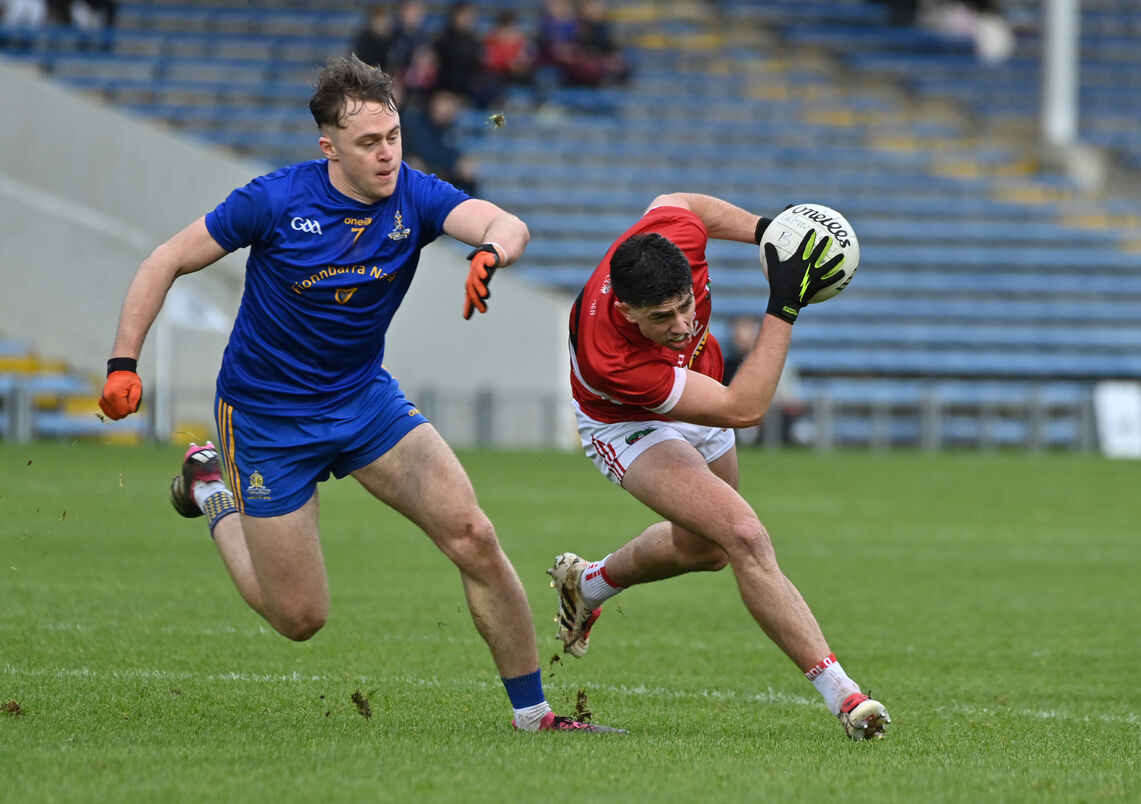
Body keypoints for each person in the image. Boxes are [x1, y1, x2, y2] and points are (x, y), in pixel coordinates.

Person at [97, 54, 622, 735]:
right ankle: (211, 490)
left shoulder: (415, 194)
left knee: (474, 534)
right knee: (300, 618)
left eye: (394, 137)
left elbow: (505, 222)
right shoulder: (274, 200)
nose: (387, 154)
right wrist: (121, 361)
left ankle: (534, 716)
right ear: (330, 148)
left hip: (362, 401)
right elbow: (163, 259)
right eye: (369, 143)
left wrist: (490, 252)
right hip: (265, 418)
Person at [549, 193, 891, 740]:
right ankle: (847, 698)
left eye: (687, 304)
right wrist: (786, 300)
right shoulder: (609, 355)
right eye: (662, 317)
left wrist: (769, 232)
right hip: (627, 421)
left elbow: (683, 203)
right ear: (625, 310)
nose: (683, 323)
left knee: (703, 551)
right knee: (745, 535)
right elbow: (746, 408)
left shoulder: (671, 236)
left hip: (699, 387)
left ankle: (588, 584)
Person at [401, 88, 479, 196]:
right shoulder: (417, 123)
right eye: (443, 101)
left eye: (450, 103)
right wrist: (454, 163)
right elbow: (425, 151)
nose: (446, 108)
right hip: (425, 176)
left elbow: (464, 163)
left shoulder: (455, 129)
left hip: (447, 180)